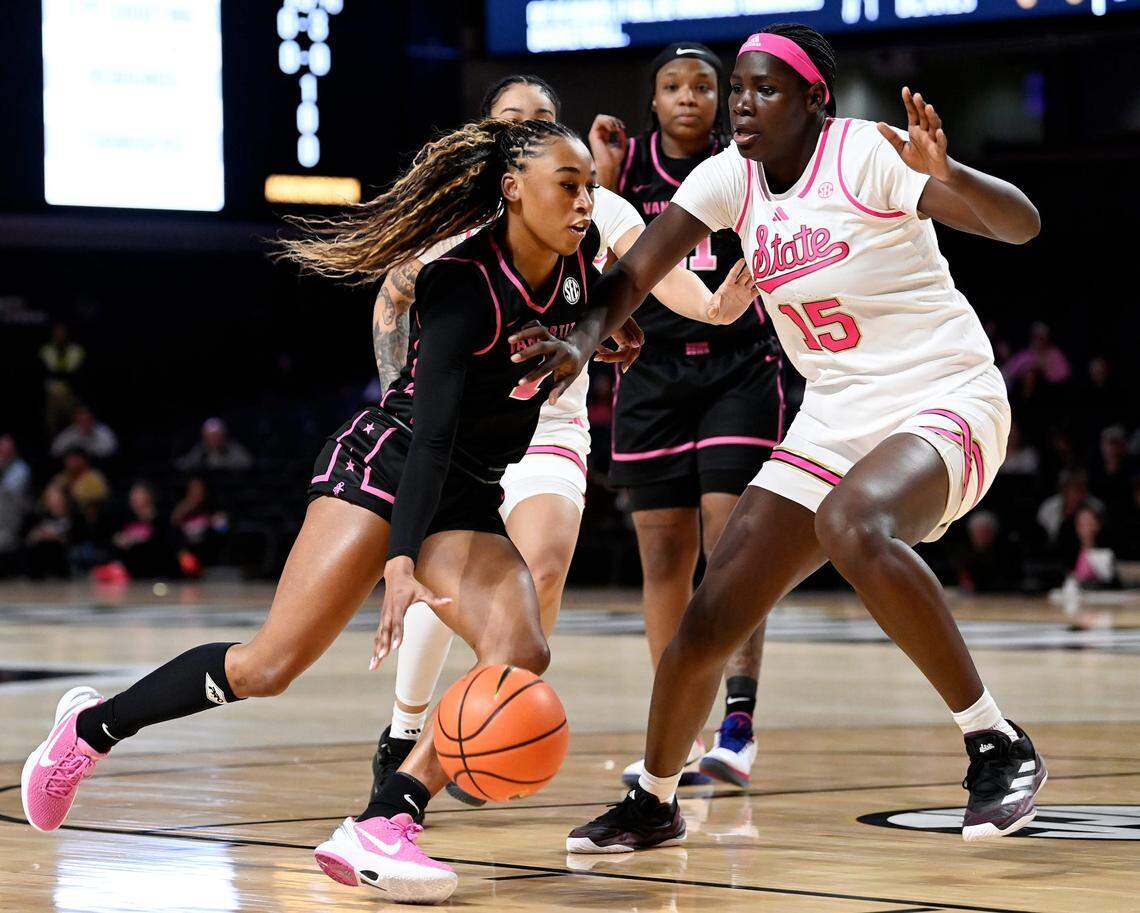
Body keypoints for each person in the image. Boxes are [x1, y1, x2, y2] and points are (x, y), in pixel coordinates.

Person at [19, 118, 756, 905]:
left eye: (589, 187)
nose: (585, 202)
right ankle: (89, 731)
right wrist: (401, 562)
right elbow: (432, 436)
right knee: (268, 666)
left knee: (520, 648)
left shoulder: (575, 264)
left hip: (469, 486)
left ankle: (385, 819)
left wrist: (603, 334)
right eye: (568, 185)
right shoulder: (461, 287)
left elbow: (606, 297)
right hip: (391, 465)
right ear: (512, 189)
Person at [526, 24, 1047, 849]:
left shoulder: (867, 153)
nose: (740, 102)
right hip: (836, 412)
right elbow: (635, 272)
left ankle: (994, 738)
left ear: (814, 100)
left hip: (943, 394)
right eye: (738, 87)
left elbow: (1020, 226)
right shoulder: (730, 175)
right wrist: (581, 339)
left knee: (851, 523)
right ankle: (656, 799)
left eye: (764, 89)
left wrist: (951, 174)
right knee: (710, 614)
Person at [366, 74, 757, 809]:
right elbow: (393, 299)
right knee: (439, 587)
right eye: (513, 121)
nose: (529, 129)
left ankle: (471, 727)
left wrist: (709, 306)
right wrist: (402, 405)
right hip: (459, 435)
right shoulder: (454, 216)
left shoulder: (594, 206)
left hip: (549, 425)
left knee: (541, 567)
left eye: (541, 119)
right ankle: (404, 728)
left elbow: (644, 269)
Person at [589, 42, 783, 788]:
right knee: (664, 556)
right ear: (654, 100)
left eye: (704, 85)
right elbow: (599, 263)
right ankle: (679, 721)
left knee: (731, 545)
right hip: (650, 374)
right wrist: (604, 183)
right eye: (673, 86)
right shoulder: (624, 168)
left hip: (738, 366)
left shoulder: (748, 161)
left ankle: (738, 717)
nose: (690, 97)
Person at [0, 434, 32, 577]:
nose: (4, 452)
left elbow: (8, 490)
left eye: (8, 449)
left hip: (14, 513)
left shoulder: (20, 468)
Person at [175, 418, 254, 472]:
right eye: (210, 436)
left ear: (223, 436)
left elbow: (247, 463)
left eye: (217, 436)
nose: (214, 440)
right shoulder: (200, 450)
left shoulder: (234, 449)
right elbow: (184, 463)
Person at [50, 405, 119, 461]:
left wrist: (89, 440)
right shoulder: (70, 432)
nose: (83, 423)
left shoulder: (102, 431)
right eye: (80, 420)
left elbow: (111, 450)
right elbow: (55, 450)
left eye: (86, 420)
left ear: (92, 419)